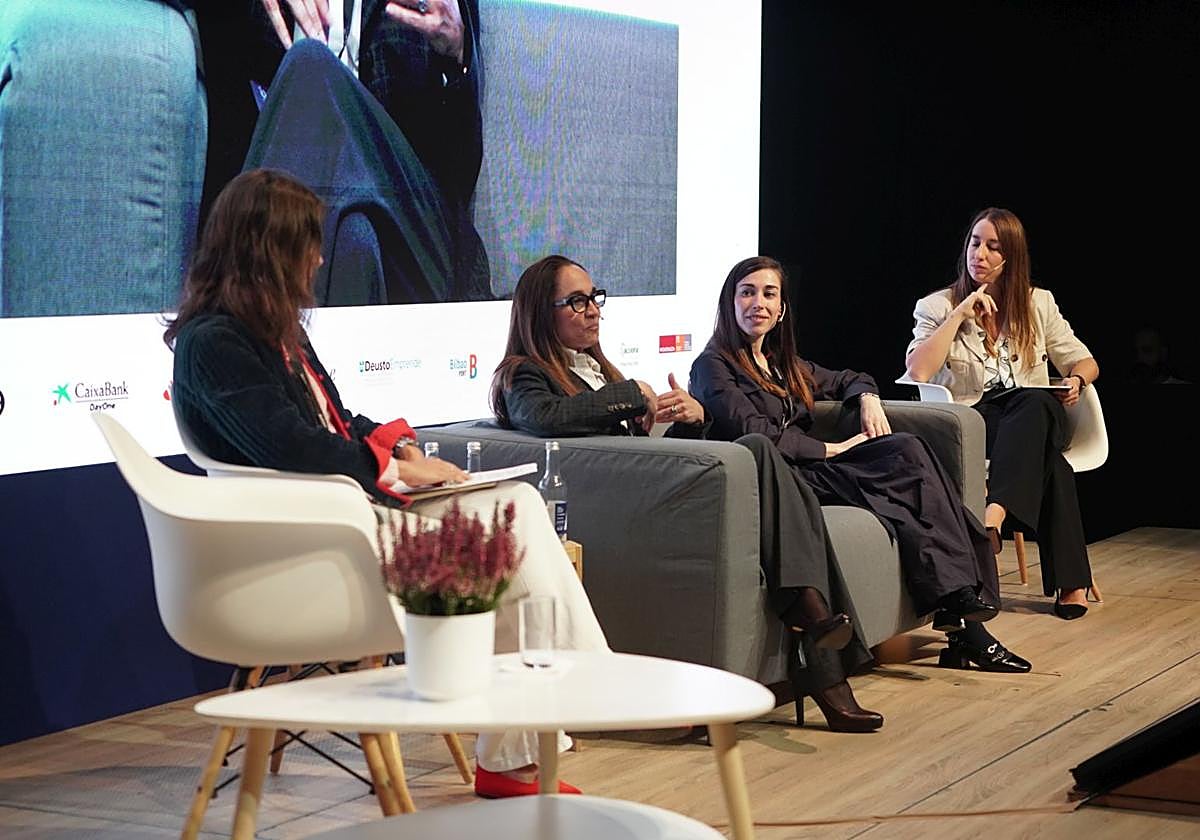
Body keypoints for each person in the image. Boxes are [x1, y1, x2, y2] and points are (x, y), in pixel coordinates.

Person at [165, 169, 605, 798]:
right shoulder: (214, 342)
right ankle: (548, 723)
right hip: (309, 538)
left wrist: (397, 441)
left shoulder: (276, 328)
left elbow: (336, 420)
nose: (318, 256)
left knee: (516, 506)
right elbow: (291, 446)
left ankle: (539, 729)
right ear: (268, 249)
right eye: (307, 243)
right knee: (503, 548)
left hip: (347, 508)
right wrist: (396, 468)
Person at [490, 255, 884, 732]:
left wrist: (693, 420)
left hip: (655, 495)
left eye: (595, 298)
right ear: (539, 311)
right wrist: (634, 394)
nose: (593, 309)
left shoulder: (600, 371)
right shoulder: (524, 373)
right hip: (623, 515)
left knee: (769, 465)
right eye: (576, 301)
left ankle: (816, 627)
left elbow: (639, 449)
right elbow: (548, 419)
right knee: (763, 453)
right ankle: (822, 647)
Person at [690, 256, 1032, 677]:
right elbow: (757, 432)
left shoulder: (782, 364)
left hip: (815, 468)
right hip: (783, 480)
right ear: (730, 302)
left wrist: (867, 398)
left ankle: (958, 605)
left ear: (781, 311)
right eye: (747, 292)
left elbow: (851, 377)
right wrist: (834, 449)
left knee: (909, 454)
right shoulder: (712, 366)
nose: (757, 303)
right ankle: (964, 613)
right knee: (906, 473)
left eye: (768, 294)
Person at [905, 208, 1100, 620]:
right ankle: (1072, 582)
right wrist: (959, 316)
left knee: (1035, 401)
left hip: (1030, 416)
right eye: (975, 243)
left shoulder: (1037, 303)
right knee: (1053, 463)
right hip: (975, 423)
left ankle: (992, 515)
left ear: (1011, 257)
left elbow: (1084, 361)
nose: (981, 254)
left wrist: (1077, 382)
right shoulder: (937, 306)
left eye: (993, 247)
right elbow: (917, 372)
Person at [237, 0, 491, 305]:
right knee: (353, 242)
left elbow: (461, 174)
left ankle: (241, 327)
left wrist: (455, 55)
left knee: (310, 61)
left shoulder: (436, 10)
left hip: (412, 230)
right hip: (304, 214)